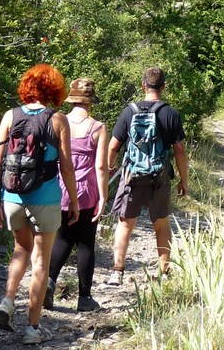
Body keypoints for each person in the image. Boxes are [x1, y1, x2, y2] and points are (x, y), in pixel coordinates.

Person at [0, 63, 79, 344]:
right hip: (46, 199)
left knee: (20, 249)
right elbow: (65, 165)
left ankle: (7, 299)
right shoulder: (57, 119)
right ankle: (32, 329)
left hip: (12, 197)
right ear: (54, 89)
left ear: (26, 87)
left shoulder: (10, 116)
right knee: (40, 262)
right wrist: (73, 201)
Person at [106, 66, 188, 284]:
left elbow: (113, 146)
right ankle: (164, 272)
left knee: (125, 224)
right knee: (161, 224)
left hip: (131, 176)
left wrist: (109, 168)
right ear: (163, 87)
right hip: (159, 178)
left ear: (144, 84)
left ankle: (117, 271)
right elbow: (179, 150)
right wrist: (183, 181)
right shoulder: (170, 114)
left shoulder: (129, 111)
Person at [44, 76, 109, 313]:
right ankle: (84, 298)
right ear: (91, 101)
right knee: (85, 243)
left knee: (62, 238)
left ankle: (48, 283)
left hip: (58, 188)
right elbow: (101, 167)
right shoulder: (98, 128)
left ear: (71, 99)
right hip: (87, 192)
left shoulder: (56, 122)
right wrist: (103, 196)